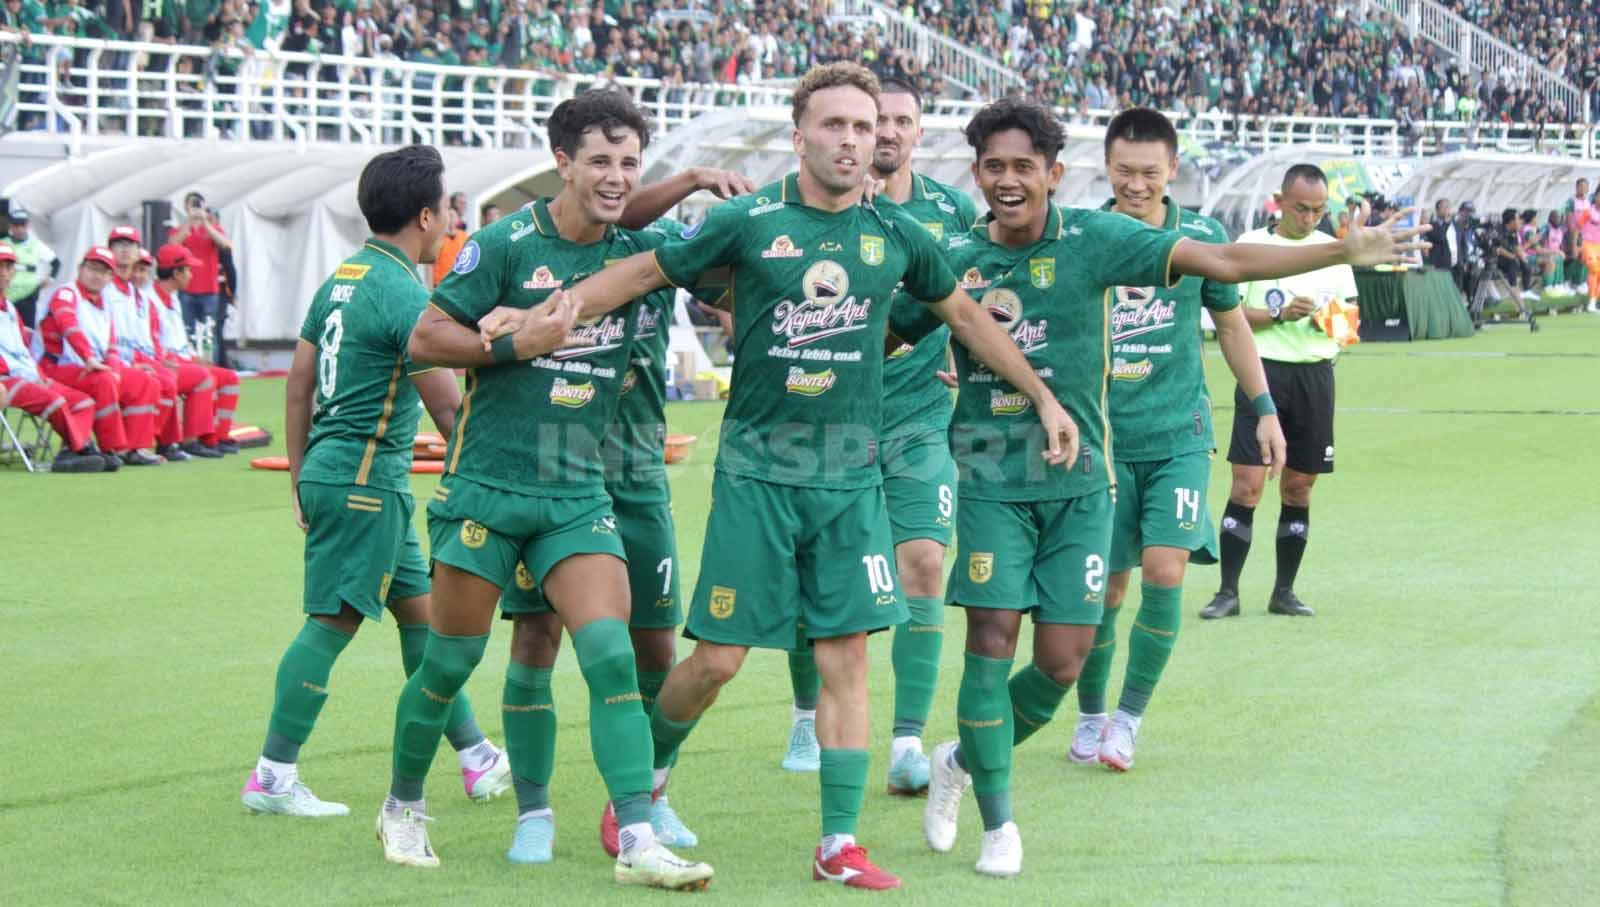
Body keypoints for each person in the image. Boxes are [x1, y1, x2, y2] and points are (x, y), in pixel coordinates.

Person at [488, 63, 1079, 891]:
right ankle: (644, 787)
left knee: (845, 656)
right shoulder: (748, 221)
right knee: (719, 661)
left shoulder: (896, 235)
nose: (851, 141)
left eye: (865, 128)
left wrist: (1044, 396)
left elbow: (967, 319)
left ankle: (838, 842)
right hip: (759, 478)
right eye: (834, 125)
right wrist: (552, 312)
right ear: (799, 135)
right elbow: (643, 272)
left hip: (849, 483)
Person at [919, 104, 1421, 877]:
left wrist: (1338, 250)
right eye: (994, 166)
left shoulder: (1100, 241)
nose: (1009, 180)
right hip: (991, 477)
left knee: (1061, 657)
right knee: (991, 640)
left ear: (1053, 174)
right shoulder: (950, 254)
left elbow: (1224, 270)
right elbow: (882, 327)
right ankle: (1000, 821)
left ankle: (965, 757)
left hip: (1085, 478)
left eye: (1025, 167)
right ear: (978, 172)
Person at [381, 92, 713, 891]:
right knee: (448, 663)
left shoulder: (641, 247)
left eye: (630, 163)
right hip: (486, 489)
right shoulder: (500, 244)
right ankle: (401, 804)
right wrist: (515, 341)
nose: (615, 177)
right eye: (599, 161)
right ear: (562, 162)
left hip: (577, 491)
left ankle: (636, 832)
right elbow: (424, 337)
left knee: (609, 653)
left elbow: (722, 246)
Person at [242, 145, 512, 820]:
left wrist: (301, 476)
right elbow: (448, 406)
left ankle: (476, 755)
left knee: (422, 620)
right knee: (330, 623)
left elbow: (299, 381)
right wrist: (494, 480)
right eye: (449, 208)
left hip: (352, 477)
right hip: (366, 481)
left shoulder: (341, 278)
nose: (452, 221)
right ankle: (273, 773)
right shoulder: (404, 293)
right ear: (425, 216)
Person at [1066, 108, 1286, 774]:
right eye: (1125, 171)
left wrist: (1266, 408)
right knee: (1102, 590)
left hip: (1178, 436)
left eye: (1149, 172)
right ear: (1106, 167)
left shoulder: (1201, 237)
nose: (1137, 184)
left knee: (1164, 571)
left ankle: (1127, 720)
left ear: (1173, 169)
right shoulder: (1081, 235)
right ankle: (1090, 713)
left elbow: (1232, 328)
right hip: (1100, 443)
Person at [777, 76, 977, 793]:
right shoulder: (797, 207)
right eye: (873, 120)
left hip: (918, 417)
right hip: (823, 422)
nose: (884, 132)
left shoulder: (951, 213)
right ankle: (808, 713)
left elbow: (972, 305)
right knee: (818, 585)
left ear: (919, 133)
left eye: (900, 121)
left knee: (924, 561)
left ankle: (905, 742)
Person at [1200, 165, 1365, 621]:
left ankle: (1284, 592)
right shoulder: (1251, 247)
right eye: (1301, 209)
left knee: (1299, 487)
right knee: (1247, 485)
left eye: (1318, 210)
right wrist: (1279, 317)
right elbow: (1225, 315)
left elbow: (1351, 324)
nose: (1310, 218)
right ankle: (1227, 592)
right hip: (1262, 375)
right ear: (1279, 201)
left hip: (1315, 377)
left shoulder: (1333, 251)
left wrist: (1323, 319)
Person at [35, 246, 164, 466]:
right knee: (103, 381)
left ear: (110, 277)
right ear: (80, 269)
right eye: (92, 268)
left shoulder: (105, 304)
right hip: (56, 368)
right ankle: (111, 447)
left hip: (90, 367)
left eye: (104, 272)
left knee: (145, 382)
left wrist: (113, 367)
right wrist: (90, 359)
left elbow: (111, 345)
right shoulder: (66, 293)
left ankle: (134, 448)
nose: (97, 276)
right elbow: (69, 327)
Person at [0, 243, 107, 473]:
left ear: (14, 272)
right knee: (55, 401)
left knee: (83, 402)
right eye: (0, 266)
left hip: (28, 373)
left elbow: (23, 349)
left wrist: (36, 374)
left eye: (8, 266)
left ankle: (70, 451)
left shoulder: (9, 307)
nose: (3, 272)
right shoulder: (66, 294)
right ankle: (83, 448)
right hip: (6, 378)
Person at [103, 227, 203, 462]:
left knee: (167, 380)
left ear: (139, 251)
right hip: (113, 360)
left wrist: (152, 359)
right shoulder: (106, 288)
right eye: (119, 244)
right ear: (110, 250)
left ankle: (162, 442)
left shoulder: (134, 292)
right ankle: (135, 446)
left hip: (136, 357)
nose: (125, 250)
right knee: (159, 381)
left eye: (131, 245)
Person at [152, 243, 241, 454]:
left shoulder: (172, 298)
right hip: (165, 363)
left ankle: (218, 436)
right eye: (188, 270)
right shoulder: (150, 300)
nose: (192, 275)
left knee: (229, 377)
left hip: (181, 360)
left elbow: (179, 341)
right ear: (176, 272)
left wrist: (193, 356)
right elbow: (154, 343)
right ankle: (193, 441)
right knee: (202, 377)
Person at [169, 191, 233, 363]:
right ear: (186, 207)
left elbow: (226, 245)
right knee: (187, 332)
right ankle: (191, 367)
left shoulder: (213, 228)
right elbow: (173, 244)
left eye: (199, 204)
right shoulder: (181, 229)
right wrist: (189, 221)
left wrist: (205, 222)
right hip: (186, 290)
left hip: (210, 291)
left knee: (209, 335)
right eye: (193, 205)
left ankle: (212, 371)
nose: (196, 208)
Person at [5, 204, 58, 328]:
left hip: (28, 295)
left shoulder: (36, 245)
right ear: (10, 226)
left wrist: (50, 279)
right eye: (15, 225)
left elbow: (56, 263)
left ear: (28, 226)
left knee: (27, 332)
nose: (19, 229)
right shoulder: (3, 243)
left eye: (22, 225)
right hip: (6, 294)